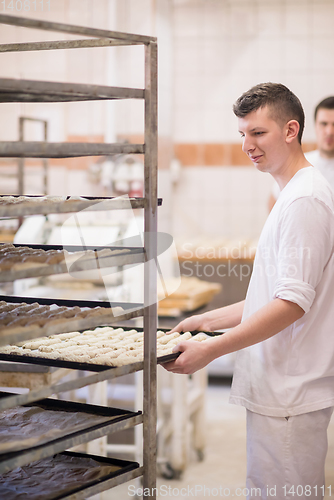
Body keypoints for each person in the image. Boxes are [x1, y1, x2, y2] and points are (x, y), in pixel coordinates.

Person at [163, 83, 334, 500]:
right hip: (281, 389)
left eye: (257, 133)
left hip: (291, 390)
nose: (246, 145)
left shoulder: (304, 201)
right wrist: (207, 321)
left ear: (291, 130)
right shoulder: (290, 194)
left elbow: (292, 304)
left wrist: (214, 348)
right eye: (242, 134)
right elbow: (273, 293)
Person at [268, 95, 334, 211]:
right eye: (324, 124)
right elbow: (274, 202)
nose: (329, 131)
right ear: (315, 126)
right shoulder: (299, 164)